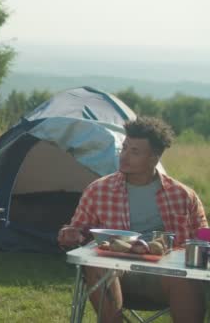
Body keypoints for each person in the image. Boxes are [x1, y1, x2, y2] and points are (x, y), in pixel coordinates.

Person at [57, 116, 208, 323]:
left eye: (134, 151)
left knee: (184, 277)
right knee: (99, 264)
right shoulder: (98, 190)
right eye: (124, 148)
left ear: (154, 158)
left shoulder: (182, 195)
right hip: (115, 277)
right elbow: (77, 233)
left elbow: (203, 239)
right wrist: (70, 234)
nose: (124, 156)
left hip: (165, 278)